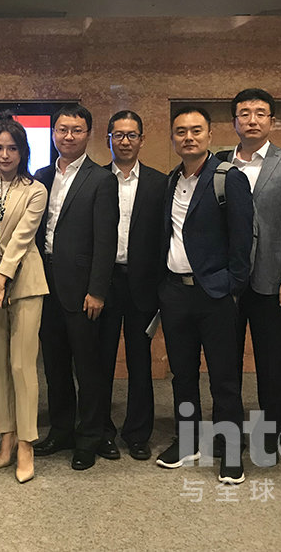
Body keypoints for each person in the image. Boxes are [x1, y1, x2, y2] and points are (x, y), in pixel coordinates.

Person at [156, 106, 252, 485]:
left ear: (210, 135)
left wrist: (231, 287)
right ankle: (187, 441)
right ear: (173, 138)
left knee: (223, 378)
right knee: (182, 374)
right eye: (181, 131)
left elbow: (243, 241)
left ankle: (230, 450)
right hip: (175, 293)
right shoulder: (170, 180)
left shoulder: (229, 178)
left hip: (215, 295)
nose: (188, 137)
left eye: (196, 130)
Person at [216, 89, 281, 463]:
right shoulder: (219, 163)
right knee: (226, 362)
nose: (252, 119)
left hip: (272, 280)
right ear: (234, 121)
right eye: (244, 113)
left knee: (271, 363)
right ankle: (228, 431)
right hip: (228, 281)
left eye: (260, 113)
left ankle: (272, 434)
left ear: (271, 120)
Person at [33, 104, 118, 471]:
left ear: (88, 134)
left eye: (77, 130)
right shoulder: (40, 176)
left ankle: (89, 437)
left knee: (88, 366)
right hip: (44, 283)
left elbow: (106, 240)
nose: (68, 136)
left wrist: (97, 290)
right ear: (53, 132)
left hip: (83, 288)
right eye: (62, 129)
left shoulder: (101, 179)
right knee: (54, 365)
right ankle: (61, 430)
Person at [0, 114, 49, 483]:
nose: (5, 155)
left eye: (12, 148)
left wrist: (1, 280)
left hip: (25, 281)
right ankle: (6, 437)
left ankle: (27, 443)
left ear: (23, 152)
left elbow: (21, 239)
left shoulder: (35, 190)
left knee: (21, 365)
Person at [99, 110, 165, 462]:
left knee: (140, 363)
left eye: (131, 135)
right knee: (101, 361)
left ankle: (138, 433)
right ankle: (102, 431)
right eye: (118, 135)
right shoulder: (96, 179)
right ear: (109, 138)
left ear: (142, 139)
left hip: (143, 285)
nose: (125, 141)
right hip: (104, 283)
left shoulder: (159, 183)